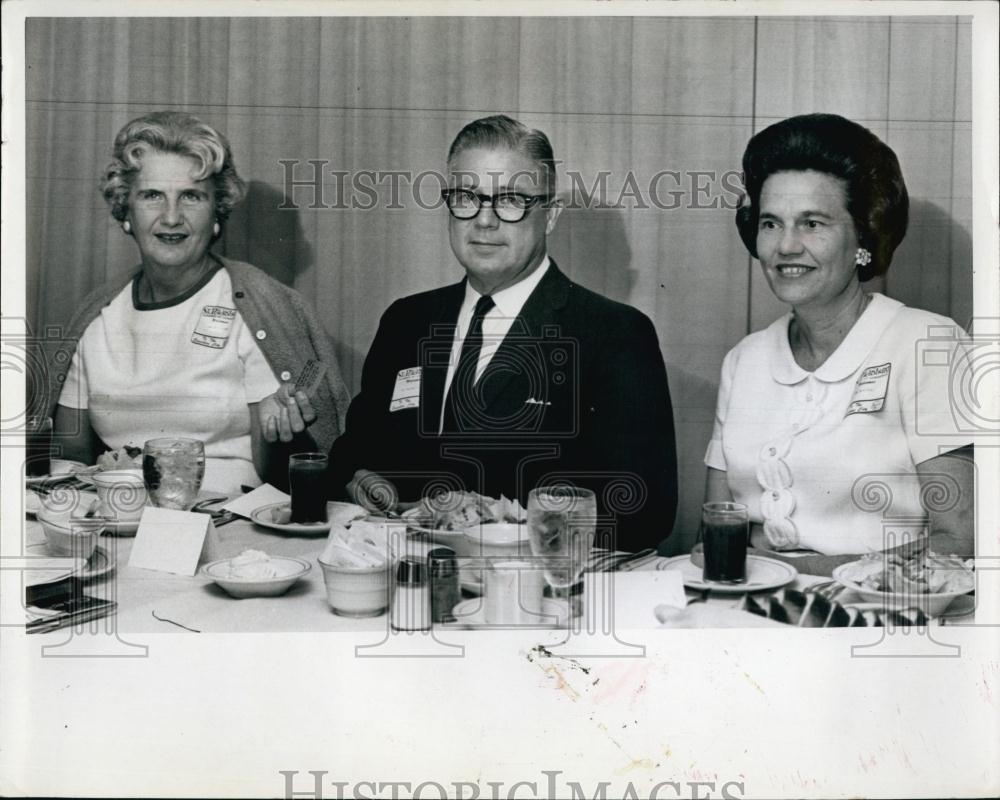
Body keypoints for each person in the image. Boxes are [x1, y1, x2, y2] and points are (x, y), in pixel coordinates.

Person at [329, 115, 677, 552]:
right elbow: (351, 452)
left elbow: (647, 510)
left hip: (536, 593)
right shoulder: (406, 320)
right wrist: (361, 478)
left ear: (550, 215)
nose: (484, 221)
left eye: (510, 200)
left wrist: (493, 518)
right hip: (403, 577)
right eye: (466, 197)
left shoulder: (616, 334)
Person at [705, 113, 973, 576]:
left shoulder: (928, 345)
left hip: (880, 614)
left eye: (812, 223)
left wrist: (811, 573)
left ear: (863, 237)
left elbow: (959, 541)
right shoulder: (744, 361)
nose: (786, 246)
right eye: (771, 224)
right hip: (753, 608)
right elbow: (714, 529)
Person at [47, 111, 351, 494]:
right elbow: (69, 462)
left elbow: (282, 475)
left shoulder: (255, 308)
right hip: (122, 518)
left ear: (216, 211)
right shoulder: (96, 319)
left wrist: (285, 434)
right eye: (152, 195)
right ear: (126, 210)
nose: (171, 217)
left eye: (191, 196)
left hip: (232, 522)